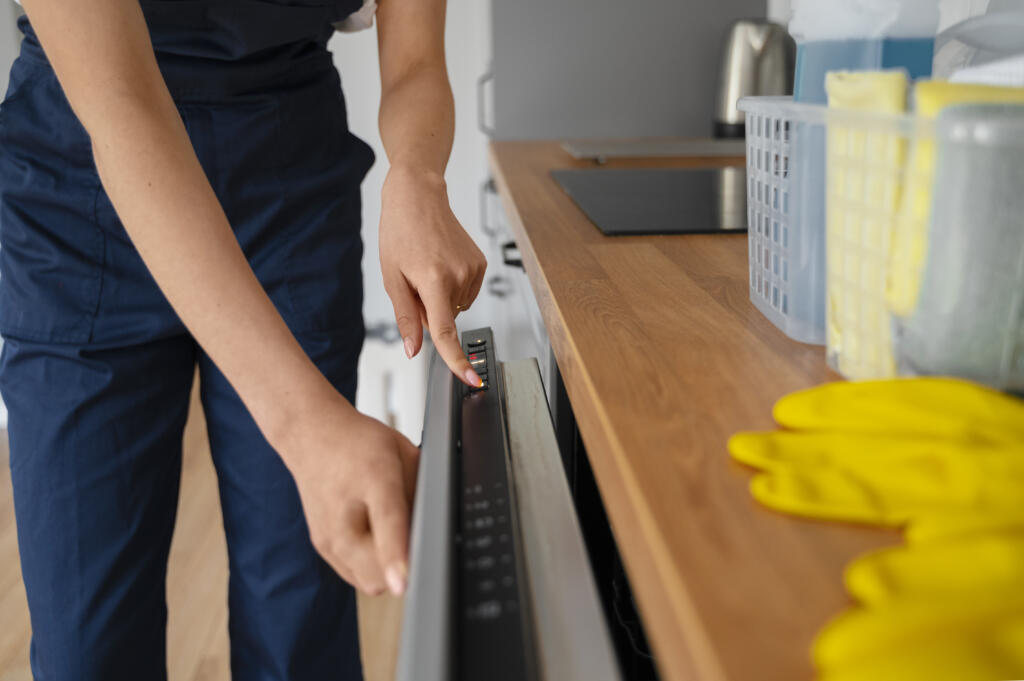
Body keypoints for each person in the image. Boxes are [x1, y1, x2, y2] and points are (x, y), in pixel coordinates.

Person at [0, 0, 486, 678]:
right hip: (81, 186)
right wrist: (306, 423)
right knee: (88, 645)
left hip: (287, 177)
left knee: (300, 622)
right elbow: (122, 104)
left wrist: (418, 175)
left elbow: (415, 65)